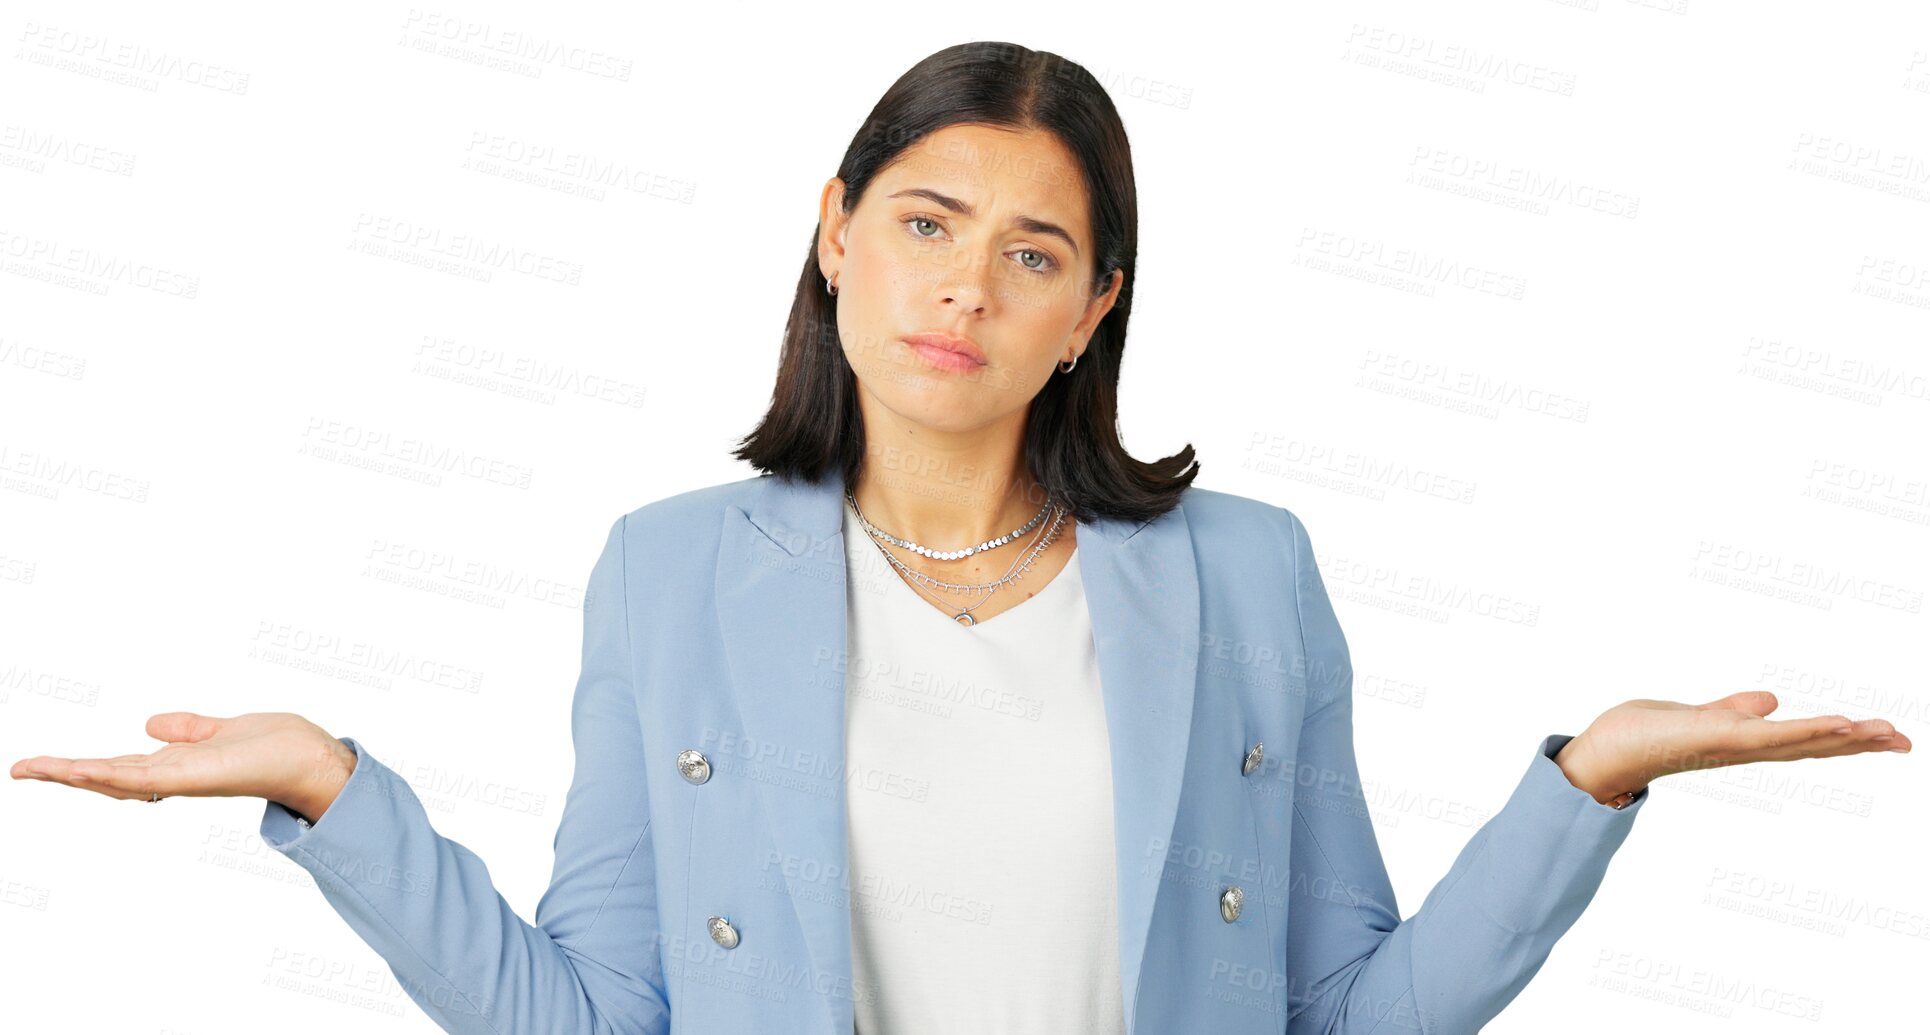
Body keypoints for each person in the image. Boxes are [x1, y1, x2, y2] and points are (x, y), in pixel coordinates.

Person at [11, 40, 1912, 1035]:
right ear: (833, 231)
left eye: (1033, 253)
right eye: (923, 223)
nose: (963, 290)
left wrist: (1590, 781)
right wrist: (342, 799)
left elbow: (1348, 1015)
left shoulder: (1246, 572)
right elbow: (599, 1020)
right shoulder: (670, 571)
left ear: (1092, 310)